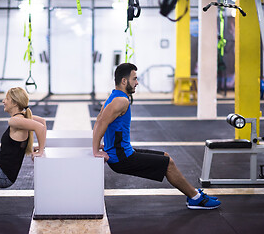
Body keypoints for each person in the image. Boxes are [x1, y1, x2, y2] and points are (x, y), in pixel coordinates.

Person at [92, 63, 221, 210]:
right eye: (134, 79)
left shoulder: (113, 97)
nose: (137, 82)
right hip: (122, 158)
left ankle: (193, 194)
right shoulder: (121, 101)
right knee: (168, 163)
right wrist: (96, 151)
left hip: (122, 152)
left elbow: (98, 120)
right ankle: (195, 198)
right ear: (124, 81)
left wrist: (101, 146)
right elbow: (101, 122)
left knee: (165, 156)